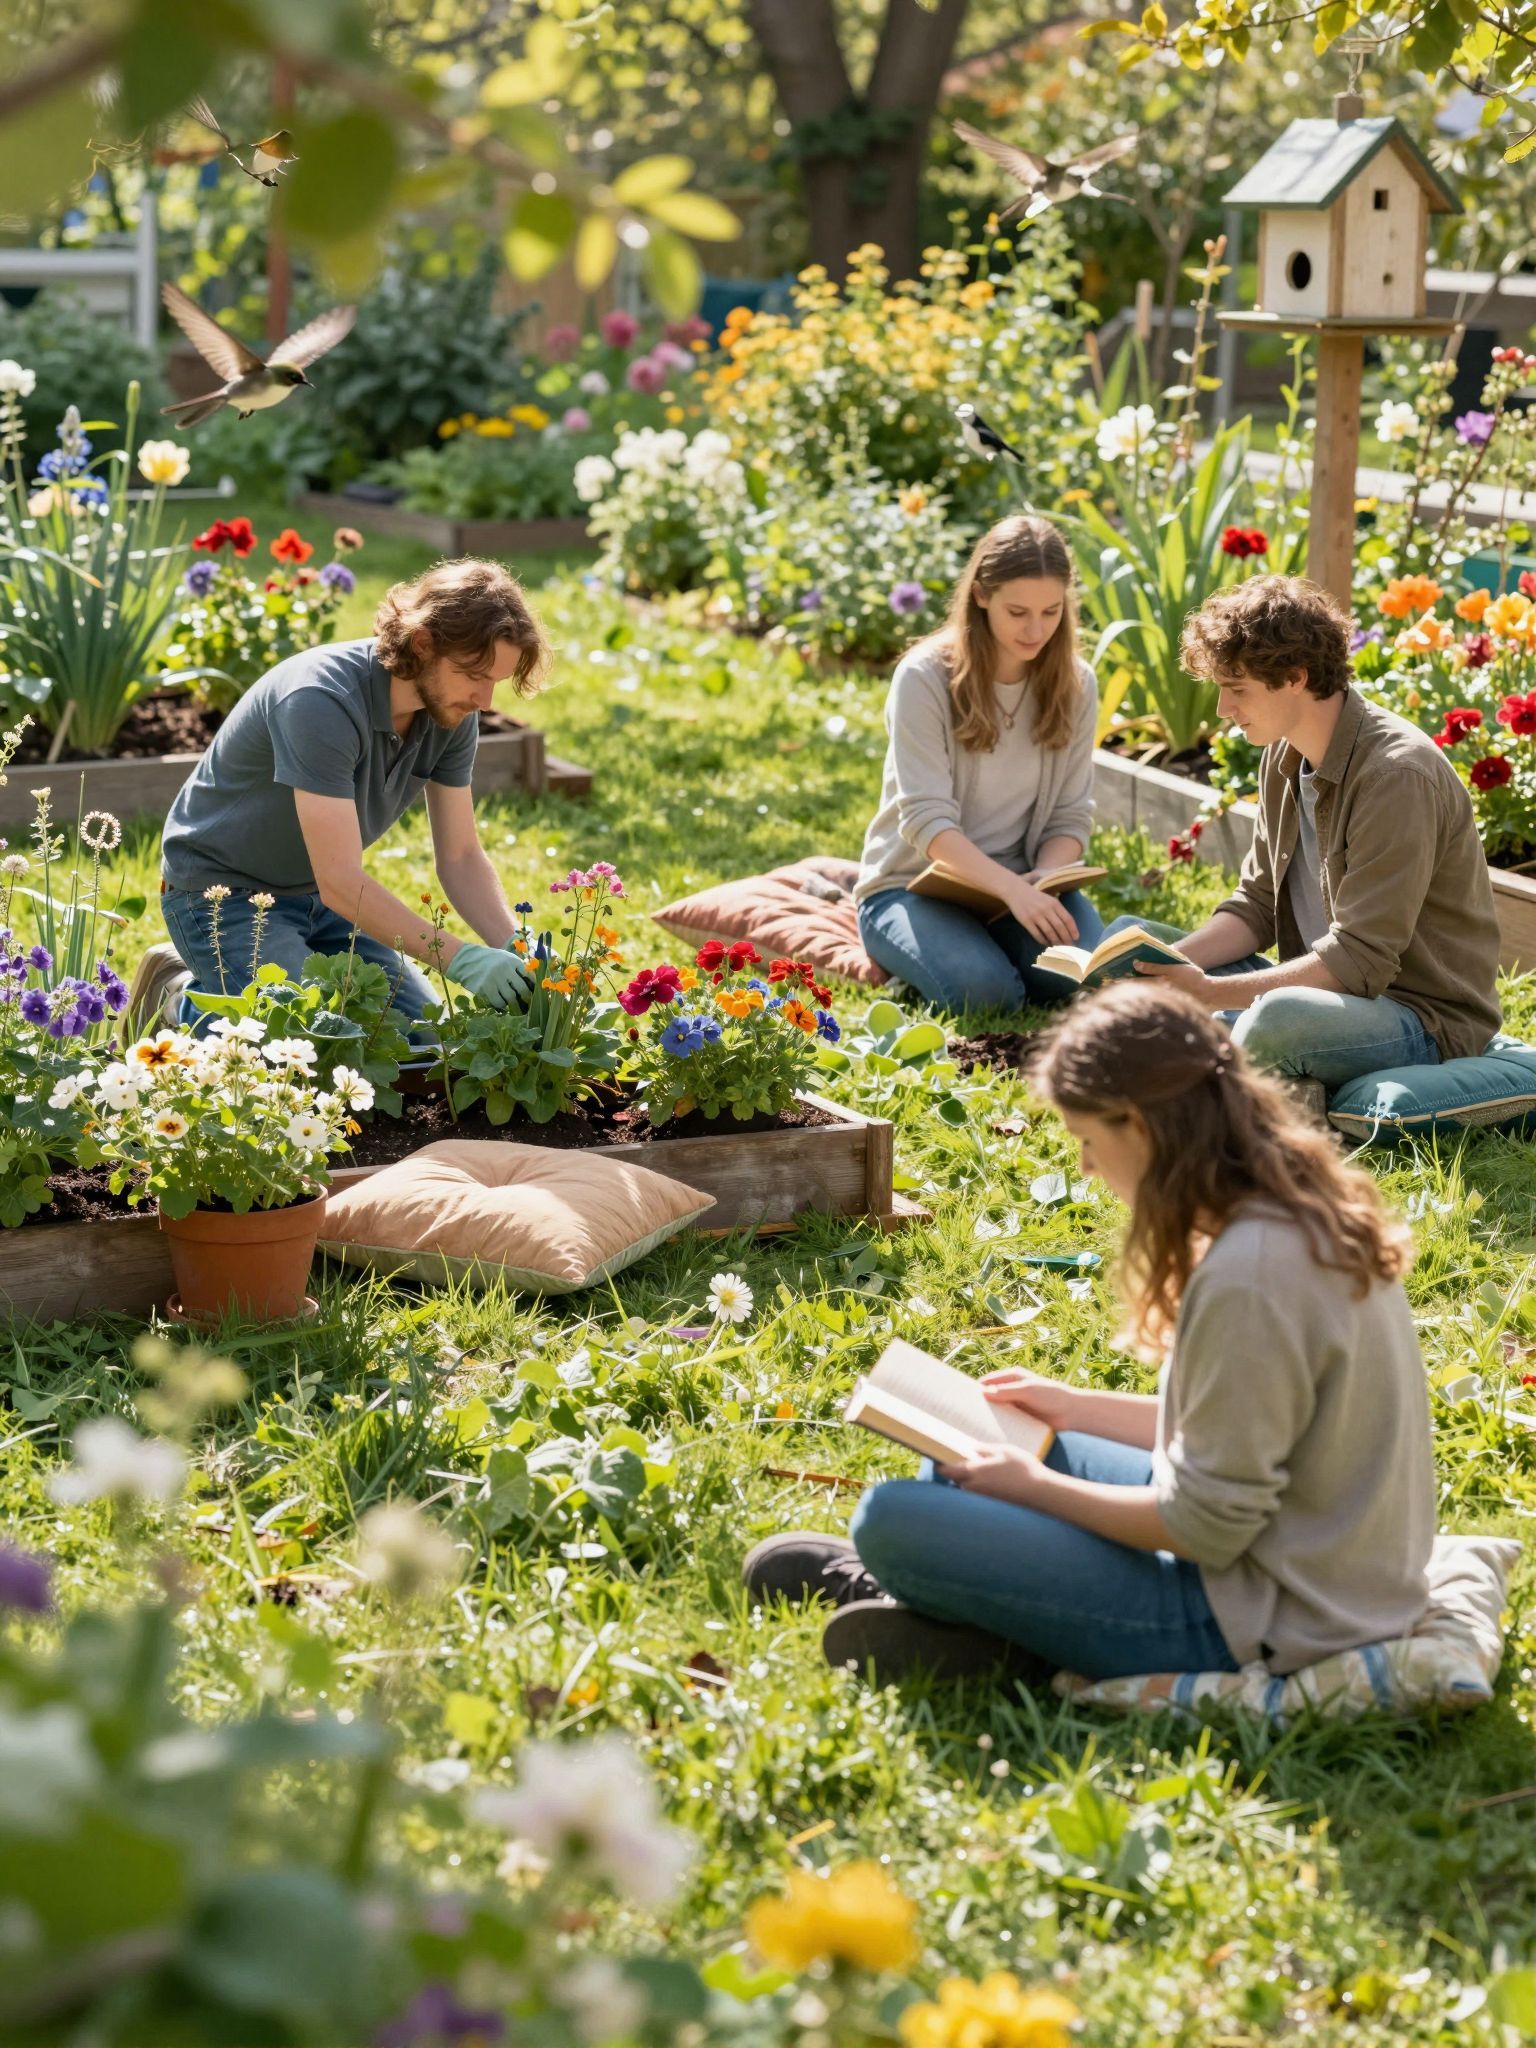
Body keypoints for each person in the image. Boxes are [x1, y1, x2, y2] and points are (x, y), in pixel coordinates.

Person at [742, 980, 1435, 1687]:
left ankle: (1007, 1626)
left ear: (1139, 1124)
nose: (1085, 1166)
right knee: (963, 1463)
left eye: (1087, 1140)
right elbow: (1242, 1431)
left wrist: (1036, 1487)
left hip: (1267, 1616)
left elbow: (1206, 1526)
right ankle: (998, 1613)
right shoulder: (1286, 1209)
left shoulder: (1249, 1277)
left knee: (888, 1520)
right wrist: (1072, 1408)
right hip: (1308, 1562)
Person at [1122, 575, 1501, 1089]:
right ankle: (1215, 1049)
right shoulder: (1283, 752)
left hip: (1418, 1018)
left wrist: (1207, 993)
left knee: (1277, 1019)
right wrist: (1170, 968)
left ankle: (1211, 1057)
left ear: (1295, 677)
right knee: (1129, 945)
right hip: (1324, 993)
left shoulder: (1396, 776)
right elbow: (1257, 906)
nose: (1222, 710)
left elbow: (1358, 960)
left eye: (1237, 689)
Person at [153, 558, 549, 1023]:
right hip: (222, 893)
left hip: (320, 896)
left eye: (495, 682)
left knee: (421, 1040)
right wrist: (461, 959)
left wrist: (519, 947)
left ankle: (222, 990)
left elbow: (460, 856)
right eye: (475, 675)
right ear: (423, 644)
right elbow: (341, 880)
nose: (485, 701)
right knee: (301, 1036)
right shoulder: (320, 700)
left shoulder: (452, 713)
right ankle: (178, 999)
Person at [854, 515, 1103, 1013]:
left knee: (1084, 970)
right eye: (1018, 612)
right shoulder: (924, 677)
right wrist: (1013, 892)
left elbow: (1071, 816)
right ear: (982, 595)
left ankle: (988, 945)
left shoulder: (1076, 682)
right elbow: (925, 820)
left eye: (1051, 612)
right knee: (987, 993)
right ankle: (945, 951)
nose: (1036, 630)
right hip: (913, 886)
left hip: (1023, 882)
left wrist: (1042, 881)